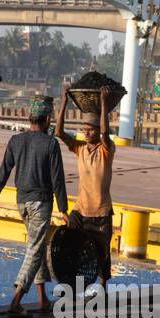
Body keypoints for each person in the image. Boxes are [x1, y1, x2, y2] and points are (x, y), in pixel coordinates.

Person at [0, 96, 68, 317]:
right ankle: (16, 301)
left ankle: (42, 300)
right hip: (41, 203)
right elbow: (57, 179)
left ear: (29, 117)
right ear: (48, 118)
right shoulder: (51, 144)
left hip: (21, 202)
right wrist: (64, 209)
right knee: (34, 250)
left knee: (36, 247)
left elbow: (3, 173)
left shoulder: (15, 141)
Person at [56, 86, 115, 287]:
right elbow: (58, 132)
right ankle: (72, 286)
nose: (86, 133)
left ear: (98, 130)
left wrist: (104, 102)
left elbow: (107, 133)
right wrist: (64, 101)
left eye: (90, 130)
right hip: (80, 211)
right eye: (84, 130)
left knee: (102, 255)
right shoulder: (79, 148)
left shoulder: (106, 149)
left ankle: (103, 288)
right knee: (71, 247)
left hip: (101, 213)